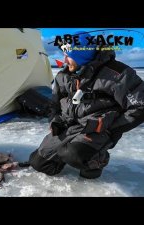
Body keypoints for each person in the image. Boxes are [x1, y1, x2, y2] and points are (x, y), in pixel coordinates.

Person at [28, 31, 144, 179]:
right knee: (38, 163)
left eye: (68, 55)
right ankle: (65, 155)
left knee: (73, 153)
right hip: (69, 126)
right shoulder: (63, 76)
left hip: (97, 129)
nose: (64, 60)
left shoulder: (118, 75)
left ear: (81, 55)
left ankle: (96, 159)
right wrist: (54, 120)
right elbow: (54, 104)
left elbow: (140, 106)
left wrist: (111, 128)